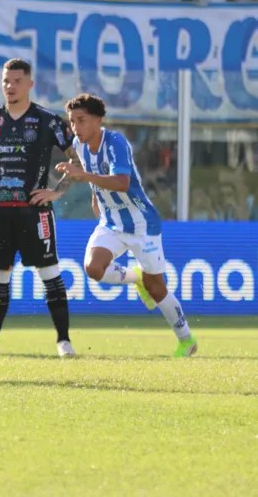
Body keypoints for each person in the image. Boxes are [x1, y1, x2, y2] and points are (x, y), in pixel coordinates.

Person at [61, 94, 197, 357]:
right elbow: (94, 175)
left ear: (98, 120)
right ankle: (135, 277)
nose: (75, 127)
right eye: (71, 121)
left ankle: (186, 340)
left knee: (157, 288)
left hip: (141, 224)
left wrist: (83, 176)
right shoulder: (79, 145)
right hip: (111, 222)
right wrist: (94, 197)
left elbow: (122, 182)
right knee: (93, 267)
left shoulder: (116, 142)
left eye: (81, 120)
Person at [0, 58, 80, 357]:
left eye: (16, 81)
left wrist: (57, 191)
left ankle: (64, 342)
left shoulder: (48, 121)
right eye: (5, 81)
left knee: (50, 275)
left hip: (35, 213)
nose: (10, 87)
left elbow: (77, 160)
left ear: (29, 84)